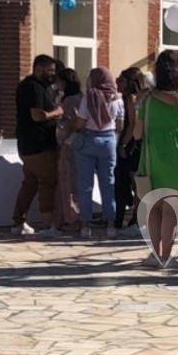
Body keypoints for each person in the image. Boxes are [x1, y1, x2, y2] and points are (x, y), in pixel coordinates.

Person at [137, 50, 178, 269]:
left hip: (150, 158)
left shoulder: (147, 100)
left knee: (154, 209)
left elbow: (137, 134)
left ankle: (155, 254)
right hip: (176, 156)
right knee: (170, 209)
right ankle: (166, 255)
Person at [67, 67, 125, 238]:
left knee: (85, 184)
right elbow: (120, 125)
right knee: (108, 183)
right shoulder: (118, 100)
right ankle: (110, 225)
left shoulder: (89, 97)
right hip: (109, 140)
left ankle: (85, 225)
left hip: (88, 141)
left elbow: (80, 124)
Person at [12, 55, 62, 236]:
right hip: (39, 145)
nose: (53, 74)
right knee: (47, 183)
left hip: (27, 145)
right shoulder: (33, 87)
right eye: (50, 71)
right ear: (39, 69)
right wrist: (57, 112)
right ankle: (48, 225)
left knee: (30, 184)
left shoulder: (33, 86)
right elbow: (37, 115)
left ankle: (19, 221)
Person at [114, 67, 145, 230]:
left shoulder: (130, 98)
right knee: (136, 183)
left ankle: (136, 217)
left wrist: (124, 144)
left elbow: (132, 123)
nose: (118, 82)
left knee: (134, 182)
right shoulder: (142, 97)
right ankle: (136, 215)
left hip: (133, 143)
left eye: (121, 80)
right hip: (139, 142)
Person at [53, 66, 83, 234]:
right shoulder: (81, 98)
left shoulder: (70, 101)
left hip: (69, 145)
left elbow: (71, 123)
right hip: (79, 146)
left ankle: (72, 218)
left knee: (68, 182)